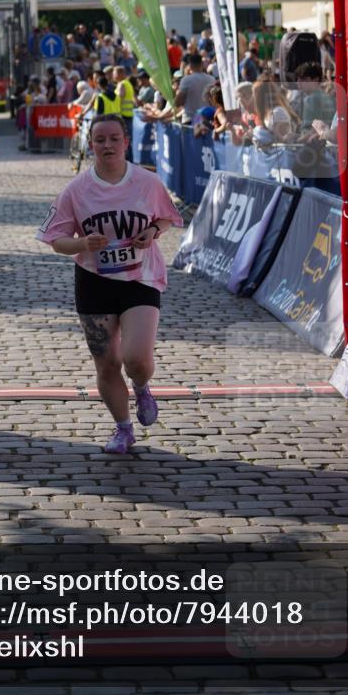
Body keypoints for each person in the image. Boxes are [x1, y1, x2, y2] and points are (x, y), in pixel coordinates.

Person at [36, 114, 183, 454]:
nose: (107, 145)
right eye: (100, 140)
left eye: (114, 139)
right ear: (90, 145)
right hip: (94, 281)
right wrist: (82, 244)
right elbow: (56, 240)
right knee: (106, 362)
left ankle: (142, 386)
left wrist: (152, 232)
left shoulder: (147, 182)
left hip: (140, 278)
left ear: (126, 143)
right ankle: (123, 429)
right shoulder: (75, 191)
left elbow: (167, 217)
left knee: (136, 358)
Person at [295, 62, 336, 131]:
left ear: (315, 80)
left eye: (303, 79)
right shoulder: (329, 98)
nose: (298, 82)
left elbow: (307, 130)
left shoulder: (310, 99)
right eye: (297, 79)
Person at [174, 54, 213, 125]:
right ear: (202, 64)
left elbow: (178, 103)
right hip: (207, 119)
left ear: (190, 66)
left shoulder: (186, 80)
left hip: (190, 119)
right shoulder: (211, 79)